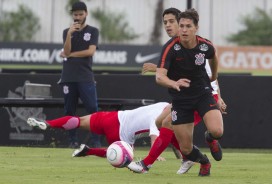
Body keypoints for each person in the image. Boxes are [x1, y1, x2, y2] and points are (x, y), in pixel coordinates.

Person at [128, 8, 226, 175]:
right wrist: (173, 82)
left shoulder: (204, 45)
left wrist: (215, 79)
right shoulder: (171, 48)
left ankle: (147, 163)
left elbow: (213, 56)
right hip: (181, 99)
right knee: (179, 141)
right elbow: (161, 77)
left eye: (187, 26)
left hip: (203, 93)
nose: (183, 29)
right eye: (181, 26)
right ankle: (200, 160)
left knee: (216, 131)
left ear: (196, 27)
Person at [26, 102, 170, 159]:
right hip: (120, 134)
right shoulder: (163, 117)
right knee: (124, 155)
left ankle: (48, 123)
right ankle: (89, 151)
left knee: (79, 121)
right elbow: (154, 134)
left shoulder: (164, 104)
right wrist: (155, 154)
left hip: (113, 117)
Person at [59, 1, 101, 148]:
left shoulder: (93, 31)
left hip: (85, 77)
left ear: (86, 14)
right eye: (75, 14)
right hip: (68, 77)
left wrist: (69, 55)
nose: (78, 17)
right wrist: (70, 34)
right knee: (69, 110)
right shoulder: (66, 31)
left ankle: (96, 142)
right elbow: (67, 50)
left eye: (80, 14)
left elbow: (90, 51)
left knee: (92, 109)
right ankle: (73, 141)